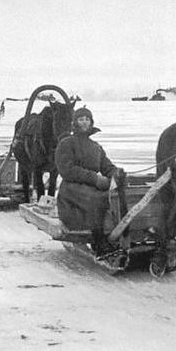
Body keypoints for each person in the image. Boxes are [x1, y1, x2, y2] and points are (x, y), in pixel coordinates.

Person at [55, 107, 123, 257]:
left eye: (87, 119)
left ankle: (116, 233)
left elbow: (107, 166)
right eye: (81, 119)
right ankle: (98, 242)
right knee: (98, 199)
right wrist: (94, 178)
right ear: (75, 123)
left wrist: (116, 174)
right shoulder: (66, 143)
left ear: (91, 122)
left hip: (91, 185)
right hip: (71, 188)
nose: (84, 123)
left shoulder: (96, 147)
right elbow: (67, 170)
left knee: (114, 198)